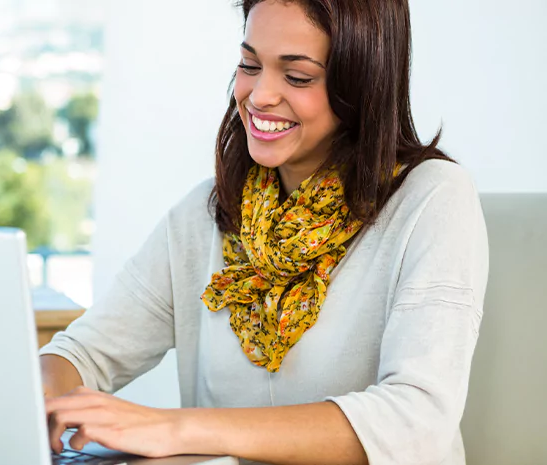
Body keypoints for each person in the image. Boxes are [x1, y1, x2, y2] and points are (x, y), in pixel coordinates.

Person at [39, 0, 489, 464]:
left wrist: (178, 427)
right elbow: (84, 354)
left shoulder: (433, 199)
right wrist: (37, 395)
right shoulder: (205, 211)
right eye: (249, 65)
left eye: (297, 77)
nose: (259, 96)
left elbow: (416, 421)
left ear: (363, 83)